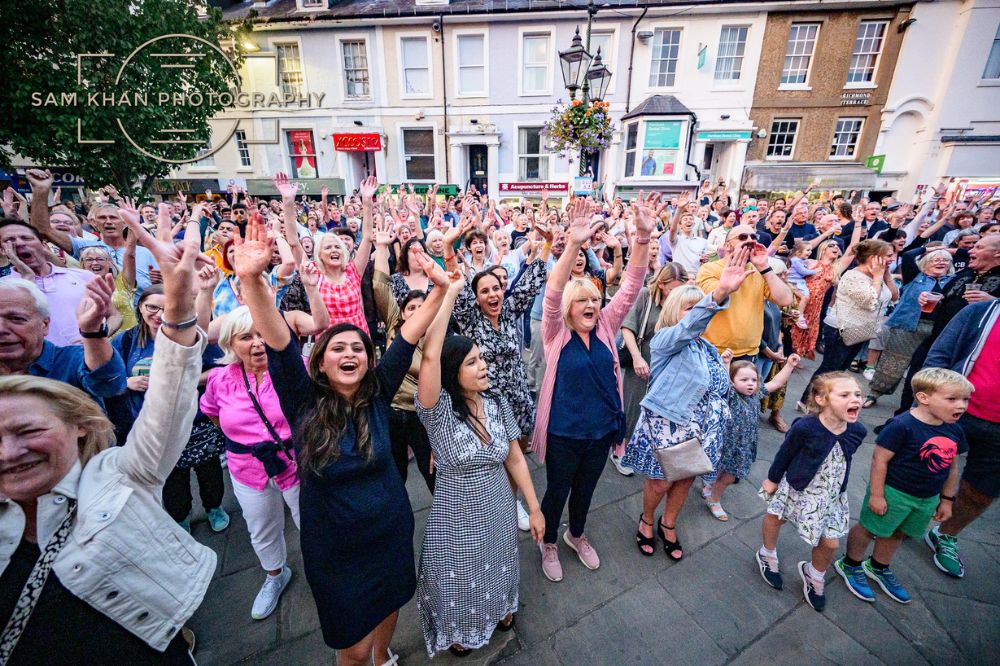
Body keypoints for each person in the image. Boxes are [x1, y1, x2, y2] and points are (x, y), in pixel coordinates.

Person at [234, 216, 450, 666]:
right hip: (335, 550)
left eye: (358, 348)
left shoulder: (378, 392)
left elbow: (410, 335)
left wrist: (440, 288)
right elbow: (277, 339)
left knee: (390, 605)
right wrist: (252, 279)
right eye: (338, 348)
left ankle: (385, 654)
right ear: (319, 362)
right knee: (350, 646)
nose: (350, 353)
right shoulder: (302, 399)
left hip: (388, 533)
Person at [0, 206, 212, 662]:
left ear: (78, 424)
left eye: (28, 429)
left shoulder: (112, 476)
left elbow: (153, 406)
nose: (9, 451)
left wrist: (177, 310)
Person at [414, 268, 543, 657]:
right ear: (453, 372)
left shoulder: (498, 404)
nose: (483, 366)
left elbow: (516, 457)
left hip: (499, 507)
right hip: (457, 517)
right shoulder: (437, 413)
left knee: (500, 563)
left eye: (482, 359)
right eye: (472, 362)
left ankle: (502, 609)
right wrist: (450, 291)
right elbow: (431, 352)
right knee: (462, 578)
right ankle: (461, 629)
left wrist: (534, 508)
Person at [532, 194, 658, 580]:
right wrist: (572, 244)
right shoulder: (555, 331)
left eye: (595, 298)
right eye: (582, 299)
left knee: (586, 491)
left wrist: (641, 237)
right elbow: (553, 293)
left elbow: (633, 284)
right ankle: (549, 541)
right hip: (563, 433)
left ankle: (577, 535)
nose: (591, 303)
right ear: (571, 307)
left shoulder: (605, 324)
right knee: (558, 490)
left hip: (600, 431)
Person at [622, 248, 755, 559]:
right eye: (689, 308)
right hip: (670, 427)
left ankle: (669, 523)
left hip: (701, 431)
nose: (698, 313)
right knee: (659, 483)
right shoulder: (666, 339)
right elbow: (688, 328)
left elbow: (718, 388)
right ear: (674, 311)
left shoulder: (706, 347)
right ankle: (646, 520)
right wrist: (720, 291)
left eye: (700, 307)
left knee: (685, 479)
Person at [834, 368, 971, 605]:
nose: (961, 405)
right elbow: (880, 459)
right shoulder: (901, 425)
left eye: (965, 399)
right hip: (894, 492)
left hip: (926, 498)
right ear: (923, 397)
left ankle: (878, 566)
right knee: (869, 527)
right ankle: (850, 564)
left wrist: (947, 500)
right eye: (952, 399)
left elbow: (952, 467)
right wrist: (877, 495)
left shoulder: (954, 429)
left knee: (899, 532)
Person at [199, 305, 302, 621]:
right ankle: (275, 575)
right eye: (246, 337)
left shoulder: (296, 369)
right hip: (246, 468)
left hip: (295, 463)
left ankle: (329, 571)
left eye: (262, 334)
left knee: (312, 520)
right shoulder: (219, 379)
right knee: (261, 525)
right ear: (231, 343)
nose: (257, 343)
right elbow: (213, 413)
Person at [756, 373, 867, 612]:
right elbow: (785, 453)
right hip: (798, 485)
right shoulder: (805, 427)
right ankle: (767, 553)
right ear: (821, 399)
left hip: (831, 495)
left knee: (830, 543)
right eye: (845, 394)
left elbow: (842, 460)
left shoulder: (858, 431)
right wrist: (773, 479)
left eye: (858, 394)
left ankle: (814, 574)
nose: (855, 399)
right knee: (776, 517)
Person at [922, 299, 1000, 578]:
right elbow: (939, 356)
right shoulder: (981, 312)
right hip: (956, 413)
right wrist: (929, 402)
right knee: (923, 470)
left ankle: (946, 534)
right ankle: (904, 520)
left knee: (982, 491)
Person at [797, 240, 898, 409]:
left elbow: (894, 297)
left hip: (861, 331)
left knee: (840, 371)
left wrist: (886, 275)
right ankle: (807, 401)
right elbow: (870, 302)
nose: (892, 259)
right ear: (874, 257)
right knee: (829, 369)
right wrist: (879, 276)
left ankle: (824, 402)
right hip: (840, 330)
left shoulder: (880, 275)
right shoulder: (854, 276)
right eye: (888, 256)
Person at [704, 355, 801, 521]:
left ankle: (713, 496)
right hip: (725, 443)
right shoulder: (731, 395)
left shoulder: (756, 394)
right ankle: (710, 490)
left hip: (742, 446)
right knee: (718, 470)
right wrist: (726, 364)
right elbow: (724, 383)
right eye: (744, 379)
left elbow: (776, 382)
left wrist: (789, 366)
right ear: (732, 382)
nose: (750, 383)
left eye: (754, 380)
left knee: (729, 476)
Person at [0, 276, 126, 403]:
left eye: (16, 319)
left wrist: (92, 332)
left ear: (45, 324)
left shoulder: (71, 360)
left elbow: (109, 386)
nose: (1, 329)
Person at [617, 263, 688, 474]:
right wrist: (637, 358)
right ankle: (620, 450)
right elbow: (628, 328)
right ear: (661, 283)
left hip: (667, 365)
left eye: (679, 288)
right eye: (671, 288)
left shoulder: (682, 301)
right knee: (632, 405)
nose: (674, 292)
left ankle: (644, 447)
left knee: (654, 409)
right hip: (642, 360)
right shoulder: (646, 296)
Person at [864, 248, 953, 408]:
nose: (941, 262)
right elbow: (908, 255)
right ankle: (874, 394)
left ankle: (913, 402)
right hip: (907, 326)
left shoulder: (953, 282)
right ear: (926, 263)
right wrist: (935, 248)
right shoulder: (915, 276)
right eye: (936, 259)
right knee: (893, 363)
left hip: (936, 330)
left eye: (945, 260)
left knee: (923, 368)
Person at [697, 225, 794, 362]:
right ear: (728, 245)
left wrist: (765, 267)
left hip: (749, 352)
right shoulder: (709, 269)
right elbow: (710, 301)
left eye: (754, 237)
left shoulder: (758, 271)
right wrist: (727, 287)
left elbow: (785, 299)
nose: (750, 241)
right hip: (714, 350)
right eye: (743, 237)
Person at [0, 219, 95, 347]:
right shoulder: (3, 288)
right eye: (9, 241)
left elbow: (114, 315)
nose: (20, 243)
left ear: (44, 245)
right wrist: (27, 277)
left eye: (26, 238)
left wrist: (92, 337)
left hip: (87, 360)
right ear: (2, 250)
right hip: (35, 364)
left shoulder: (83, 276)